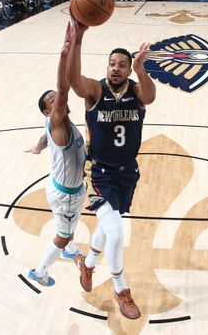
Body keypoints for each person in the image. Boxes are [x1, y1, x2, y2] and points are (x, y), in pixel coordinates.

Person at [67, 16, 156, 320]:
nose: (116, 67)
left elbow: (151, 96)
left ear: (128, 69)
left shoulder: (136, 91)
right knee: (117, 234)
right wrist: (77, 39)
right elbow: (74, 80)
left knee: (108, 227)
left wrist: (142, 69)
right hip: (99, 172)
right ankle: (121, 289)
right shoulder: (94, 91)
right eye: (111, 63)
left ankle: (88, 264)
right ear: (106, 67)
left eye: (122, 64)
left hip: (128, 171)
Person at [27, 23, 86, 287]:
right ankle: (40, 271)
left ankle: (71, 249)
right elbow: (64, 89)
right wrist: (65, 53)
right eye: (51, 101)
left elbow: (44, 135)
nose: (57, 99)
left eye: (54, 98)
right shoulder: (58, 122)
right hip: (67, 194)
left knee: (69, 223)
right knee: (62, 234)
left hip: (68, 188)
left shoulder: (51, 126)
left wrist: (39, 146)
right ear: (48, 112)